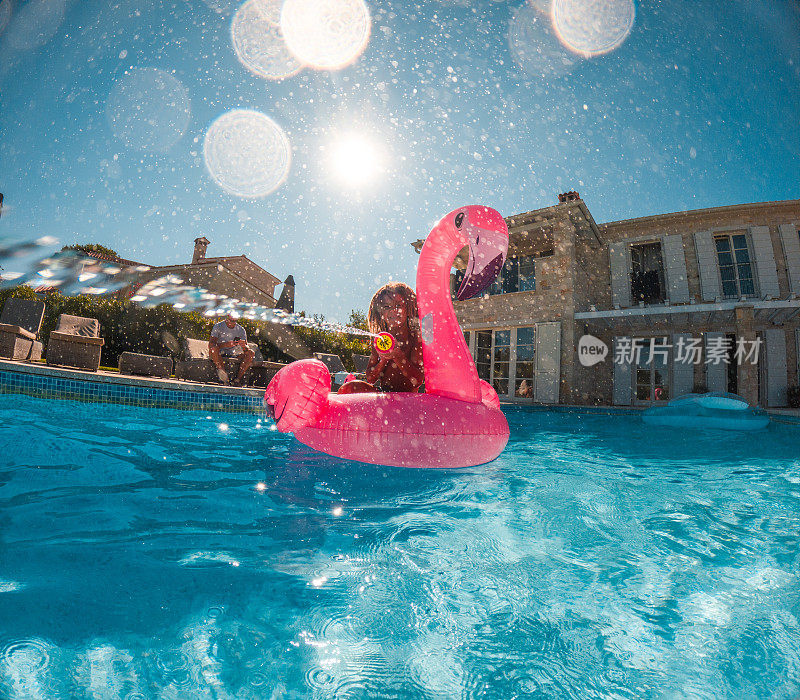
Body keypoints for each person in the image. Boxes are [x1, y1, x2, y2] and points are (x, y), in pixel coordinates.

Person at [338, 282, 424, 394]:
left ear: (407, 309)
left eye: (398, 305)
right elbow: (370, 378)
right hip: (384, 394)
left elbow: (417, 381)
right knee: (349, 388)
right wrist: (383, 360)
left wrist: (398, 356)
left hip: (408, 398)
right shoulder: (380, 339)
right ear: (381, 313)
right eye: (387, 307)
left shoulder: (415, 338)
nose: (393, 310)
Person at [209, 313, 255, 386]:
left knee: (250, 353)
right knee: (214, 349)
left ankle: (237, 380)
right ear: (227, 317)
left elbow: (246, 350)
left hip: (233, 354)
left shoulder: (241, 330)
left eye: (234, 321)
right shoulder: (218, 326)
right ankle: (224, 378)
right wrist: (225, 344)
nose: (231, 323)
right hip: (218, 353)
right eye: (230, 320)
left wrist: (244, 346)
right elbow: (211, 345)